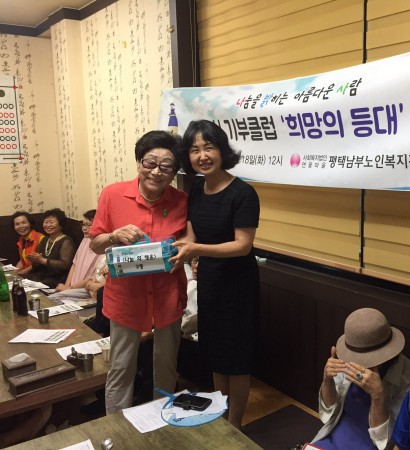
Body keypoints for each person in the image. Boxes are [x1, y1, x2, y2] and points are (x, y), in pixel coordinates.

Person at [89, 130, 188, 414]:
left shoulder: (182, 200)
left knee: (167, 366)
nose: (156, 172)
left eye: (166, 166)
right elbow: (95, 244)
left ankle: (162, 421)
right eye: (150, 163)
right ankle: (118, 429)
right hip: (126, 298)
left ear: (174, 172)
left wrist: (183, 252)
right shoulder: (113, 194)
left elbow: (189, 242)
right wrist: (114, 236)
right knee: (121, 367)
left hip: (167, 295)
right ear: (138, 163)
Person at [170, 119, 260, 430]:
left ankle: (235, 424)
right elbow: (192, 233)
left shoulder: (243, 193)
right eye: (194, 150)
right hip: (209, 280)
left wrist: (197, 250)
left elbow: (243, 245)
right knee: (216, 353)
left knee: (237, 359)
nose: (202, 156)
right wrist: (185, 249)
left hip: (238, 285)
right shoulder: (196, 188)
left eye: (208, 147)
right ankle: (221, 416)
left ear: (222, 150)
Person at [310, 308, 410, 450]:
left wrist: (378, 396)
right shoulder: (349, 357)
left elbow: (385, 440)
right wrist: (327, 381)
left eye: (365, 359)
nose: (358, 363)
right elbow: (327, 413)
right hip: (335, 434)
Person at [26, 208, 76, 288]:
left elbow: (65, 265)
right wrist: (35, 260)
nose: (48, 225)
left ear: (61, 225)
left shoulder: (66, 241)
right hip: (42, 276)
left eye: (52, 222)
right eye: (46, 222)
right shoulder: (45, 239)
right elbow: (39, 262)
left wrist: (43, 260)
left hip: (57, 279)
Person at [55, 210, 102, 292]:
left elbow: (92, 278)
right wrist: (66, 286)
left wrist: (69, 289)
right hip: (72, 289)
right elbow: (74, 264)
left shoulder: (103, 245)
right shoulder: (85, 239)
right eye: (83, 224)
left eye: (89, 225)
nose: (84, 228)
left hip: (86, 291)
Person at [11, 211, 45, 276]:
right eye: (17, 224)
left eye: (24, 223)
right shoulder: (21, 239)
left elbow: (38, 262)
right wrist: (13, 274)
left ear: (30, 223)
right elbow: (22, 261)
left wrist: (21, 273)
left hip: (39, 275)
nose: (21, 226)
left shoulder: (40, 238)